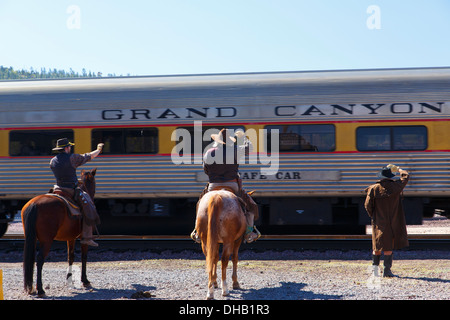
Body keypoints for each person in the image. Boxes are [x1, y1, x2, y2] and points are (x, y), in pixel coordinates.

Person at [191, 128, 260, 244]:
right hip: (232, 185)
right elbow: (250, 148)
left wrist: (215, 176)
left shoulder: (208, 152)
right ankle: (249, 232)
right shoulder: (234, 150)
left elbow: (205, 170)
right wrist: (243, 138)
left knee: (200, 204)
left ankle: (197, 231)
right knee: (250, 206)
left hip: (213, 186)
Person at [49, 138, 104, 247]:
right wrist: (99, 149)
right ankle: (87, 237)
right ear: (66, 148)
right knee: (88, 205)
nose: (70, 148)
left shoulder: (52, 160)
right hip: (71, 189)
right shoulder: (72, 158)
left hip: (58, 189)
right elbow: (89, 156)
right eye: (69, 146)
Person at [364, 164, 410, 277]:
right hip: (393, 221)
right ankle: (387, 271)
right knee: (388, 247)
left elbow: (367, 205)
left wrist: (374, 216)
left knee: (377, 247)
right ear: (391, 176)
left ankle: (374, 272)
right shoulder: (396, 186)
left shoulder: (373, 188)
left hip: (378, 221)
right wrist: (399, 169)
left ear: (380, 177)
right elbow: (406, 176)